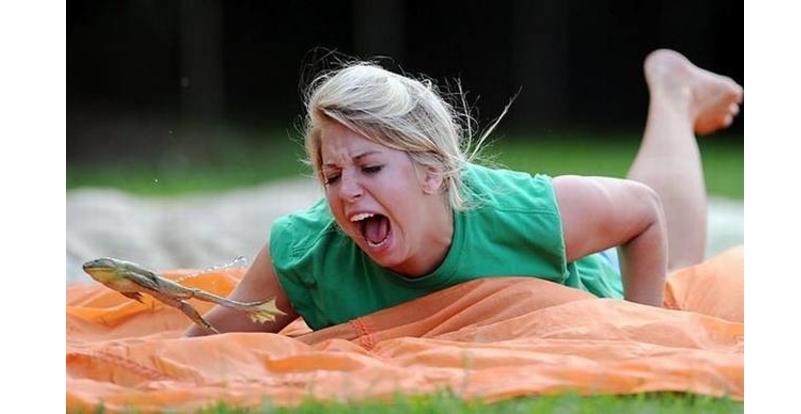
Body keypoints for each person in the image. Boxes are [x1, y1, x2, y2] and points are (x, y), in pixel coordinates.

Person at [185, 49, 743, 336]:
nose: (347, 191)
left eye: (370, 167)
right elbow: (207, 343)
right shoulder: (306, 254)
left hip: (600, 284)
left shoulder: (520, 212)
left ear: (432, 172)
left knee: (682, 269)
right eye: (331, 176)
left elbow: (642, 210)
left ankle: (672, 91)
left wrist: (641, 327)